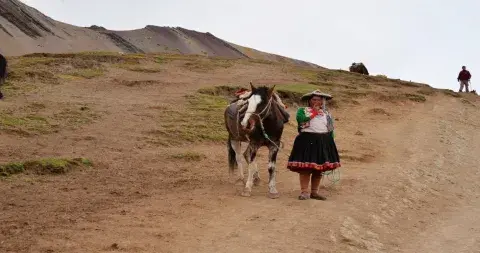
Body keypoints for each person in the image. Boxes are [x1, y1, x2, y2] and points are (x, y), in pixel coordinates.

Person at [287, 90, 341, 200]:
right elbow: (301, 120)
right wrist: (314, 112)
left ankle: (314, 192)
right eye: (314, 99)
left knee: (318, 169)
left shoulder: (326, 114)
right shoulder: (302, 111)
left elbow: (330, 129)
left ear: (322, 102)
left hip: (323, 142)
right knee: (306, 168)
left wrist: (330, 142)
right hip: (307, 141)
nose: (316, 101)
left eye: (319, 100)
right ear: (309, 101)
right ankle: (304, 192)